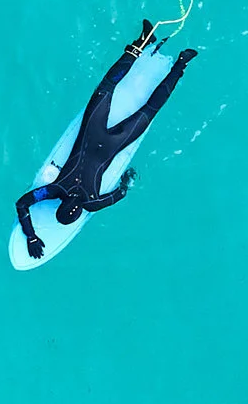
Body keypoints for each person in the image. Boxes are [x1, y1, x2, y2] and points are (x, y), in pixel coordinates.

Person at [18, 19, 199, 259]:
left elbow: (122, 191)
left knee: (150, 109)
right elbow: (22, 205)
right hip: (93, 130)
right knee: (107, 87)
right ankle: (146, 42)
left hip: (117, 142)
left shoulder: (92, 203)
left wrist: (130, 176)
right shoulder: (55, 190)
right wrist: (30, 234)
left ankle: (180, 63)